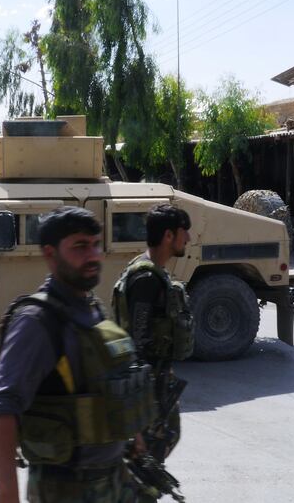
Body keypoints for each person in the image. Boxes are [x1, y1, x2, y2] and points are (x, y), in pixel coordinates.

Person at [0, 206, 155, 502]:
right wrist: (7, 496)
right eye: (79, 246)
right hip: (67, 489)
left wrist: (133, 431)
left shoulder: (93, 308)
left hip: (113, 478)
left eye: (95, 244)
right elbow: (0, 409)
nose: (93, 255)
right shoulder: (37, 321)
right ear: (50, 254)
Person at [111, 203, 194, 494]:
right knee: (144, 459)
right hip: (146, 384)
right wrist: (140, 403)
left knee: (163, 441)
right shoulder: (146, 279)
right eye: (185, 232)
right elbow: (137, 338)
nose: (189, 239)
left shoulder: (150, 271)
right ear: (169, 236)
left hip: (155, 380)